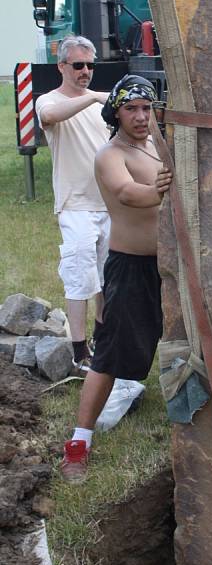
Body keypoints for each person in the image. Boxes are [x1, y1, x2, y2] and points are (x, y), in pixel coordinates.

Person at [60, 75, 172, 484]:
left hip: (172, 267)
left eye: (147, 108)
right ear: (116, 113)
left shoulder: (156, 146)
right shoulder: (110, 154)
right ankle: (78, 442)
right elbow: (127, 194)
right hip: (130, 268)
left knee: (184, 341)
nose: (141, 116)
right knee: (109, 356)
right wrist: (160, 188)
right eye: (132, 109)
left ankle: (189, 415)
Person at [35, 36, 110, 373]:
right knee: (80, 279)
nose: (85, 72)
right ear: (62, 66)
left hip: (110, 204)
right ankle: (79, 352)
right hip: (76, 205)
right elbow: (50, 115)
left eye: (90, 65)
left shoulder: (100, 105)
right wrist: (93, 96)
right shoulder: (48, 100)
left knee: (109, 278)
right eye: (78, 65)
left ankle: (102, 341)